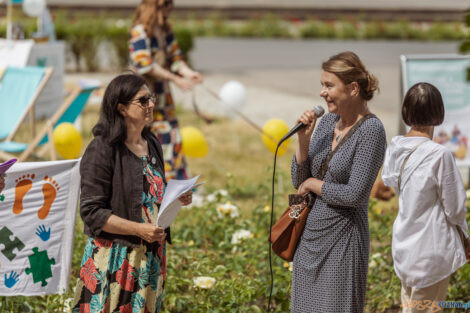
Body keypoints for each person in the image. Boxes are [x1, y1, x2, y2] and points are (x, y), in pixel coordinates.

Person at [72, 74, 192, 312]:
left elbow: (146, 192)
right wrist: (139, 229)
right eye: (143, 100)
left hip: (150, 256)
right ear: (122, 108)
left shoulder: (152, 142)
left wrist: (175, 196)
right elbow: (92, 212)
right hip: (116, 258)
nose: (151, 105)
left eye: (151, 98)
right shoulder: (102, 149)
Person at [290, 51, 386, 313]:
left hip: (342, 241)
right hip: (309, 238)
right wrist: (303, 141)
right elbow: (297, 181)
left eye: (329, 85)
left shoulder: (371, 130)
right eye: (322, 85)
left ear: (353, 88)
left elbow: (355, 194)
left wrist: (313, 185)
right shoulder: (327, 121)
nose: (322, 92)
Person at [381, 82, 470, 312]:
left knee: (410, 305)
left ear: (405, 112)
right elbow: (455, 209)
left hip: (405, 246)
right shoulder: (439, 155)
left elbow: (390, 183)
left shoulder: (396, 147)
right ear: (439, 112)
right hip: (431, 251)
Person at [129, 0, 203, 180]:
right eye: (167, 4)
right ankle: (146, 181)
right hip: (141, 97)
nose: (171, 8)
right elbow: (145, 65)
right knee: (143, 138)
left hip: (162, 96)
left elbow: (175, 58)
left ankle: (172, 182)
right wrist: (176, 78)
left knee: (171, 135)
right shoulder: (140, 32)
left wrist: (189, 73)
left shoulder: (165, 32)